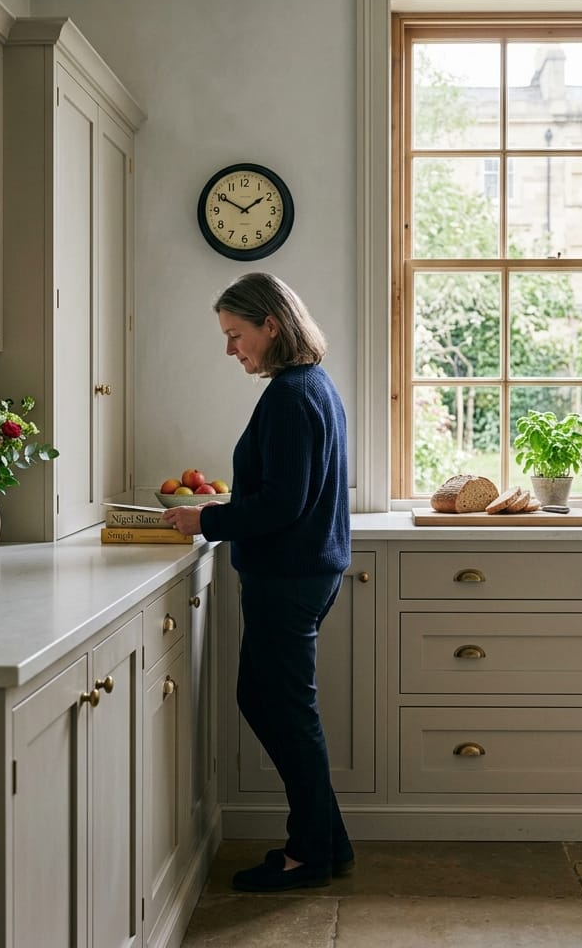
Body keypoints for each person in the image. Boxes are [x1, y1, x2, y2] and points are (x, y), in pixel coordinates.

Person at [162, 272, 352, 892]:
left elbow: (281, 504)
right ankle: (328, 841)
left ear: (272, 325)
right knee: (280, 704)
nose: (230, 348)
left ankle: (310, 854)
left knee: (281, 708)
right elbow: (286, 495)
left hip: (290, 576)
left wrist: (205, 517)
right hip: (305, 571)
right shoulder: (308, 386)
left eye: (235, 334)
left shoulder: (293, 395)